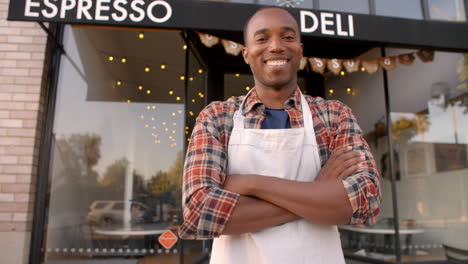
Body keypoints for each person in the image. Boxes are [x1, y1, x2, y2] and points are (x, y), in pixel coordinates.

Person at [179, 7, 381, 264]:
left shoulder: (334, 115)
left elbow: (366, 201)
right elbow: (199, 212)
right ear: (246, 53)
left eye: (287, 37)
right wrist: (318, 193)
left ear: (300, 48)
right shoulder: (217, 117)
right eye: (262, 39)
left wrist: (249, 184)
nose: (275, 46)